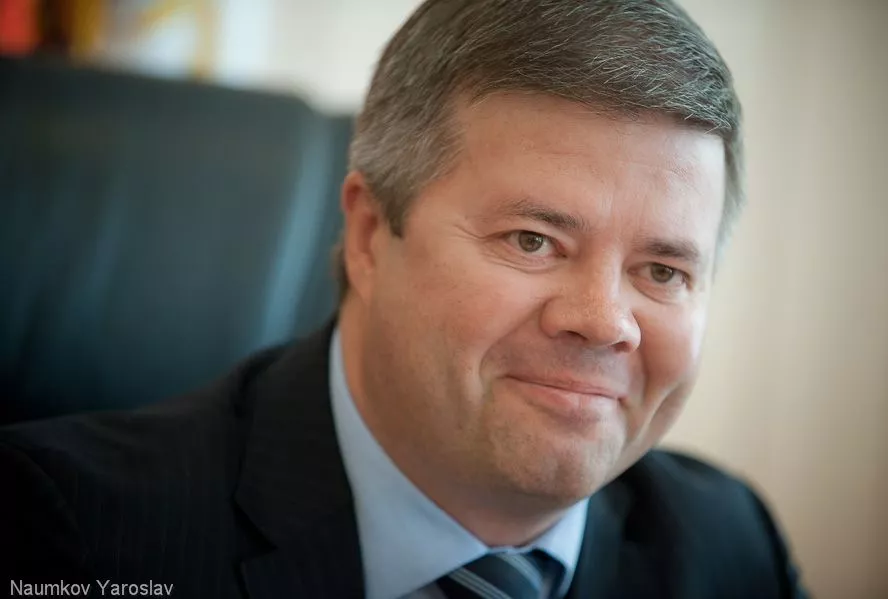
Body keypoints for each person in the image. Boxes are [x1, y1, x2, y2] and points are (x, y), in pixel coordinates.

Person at [1, 1, 809, 598]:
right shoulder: (69, 532)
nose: (603, 321)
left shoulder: (730, 546)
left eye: (663, 271)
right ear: (366, 235)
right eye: (533, 240)